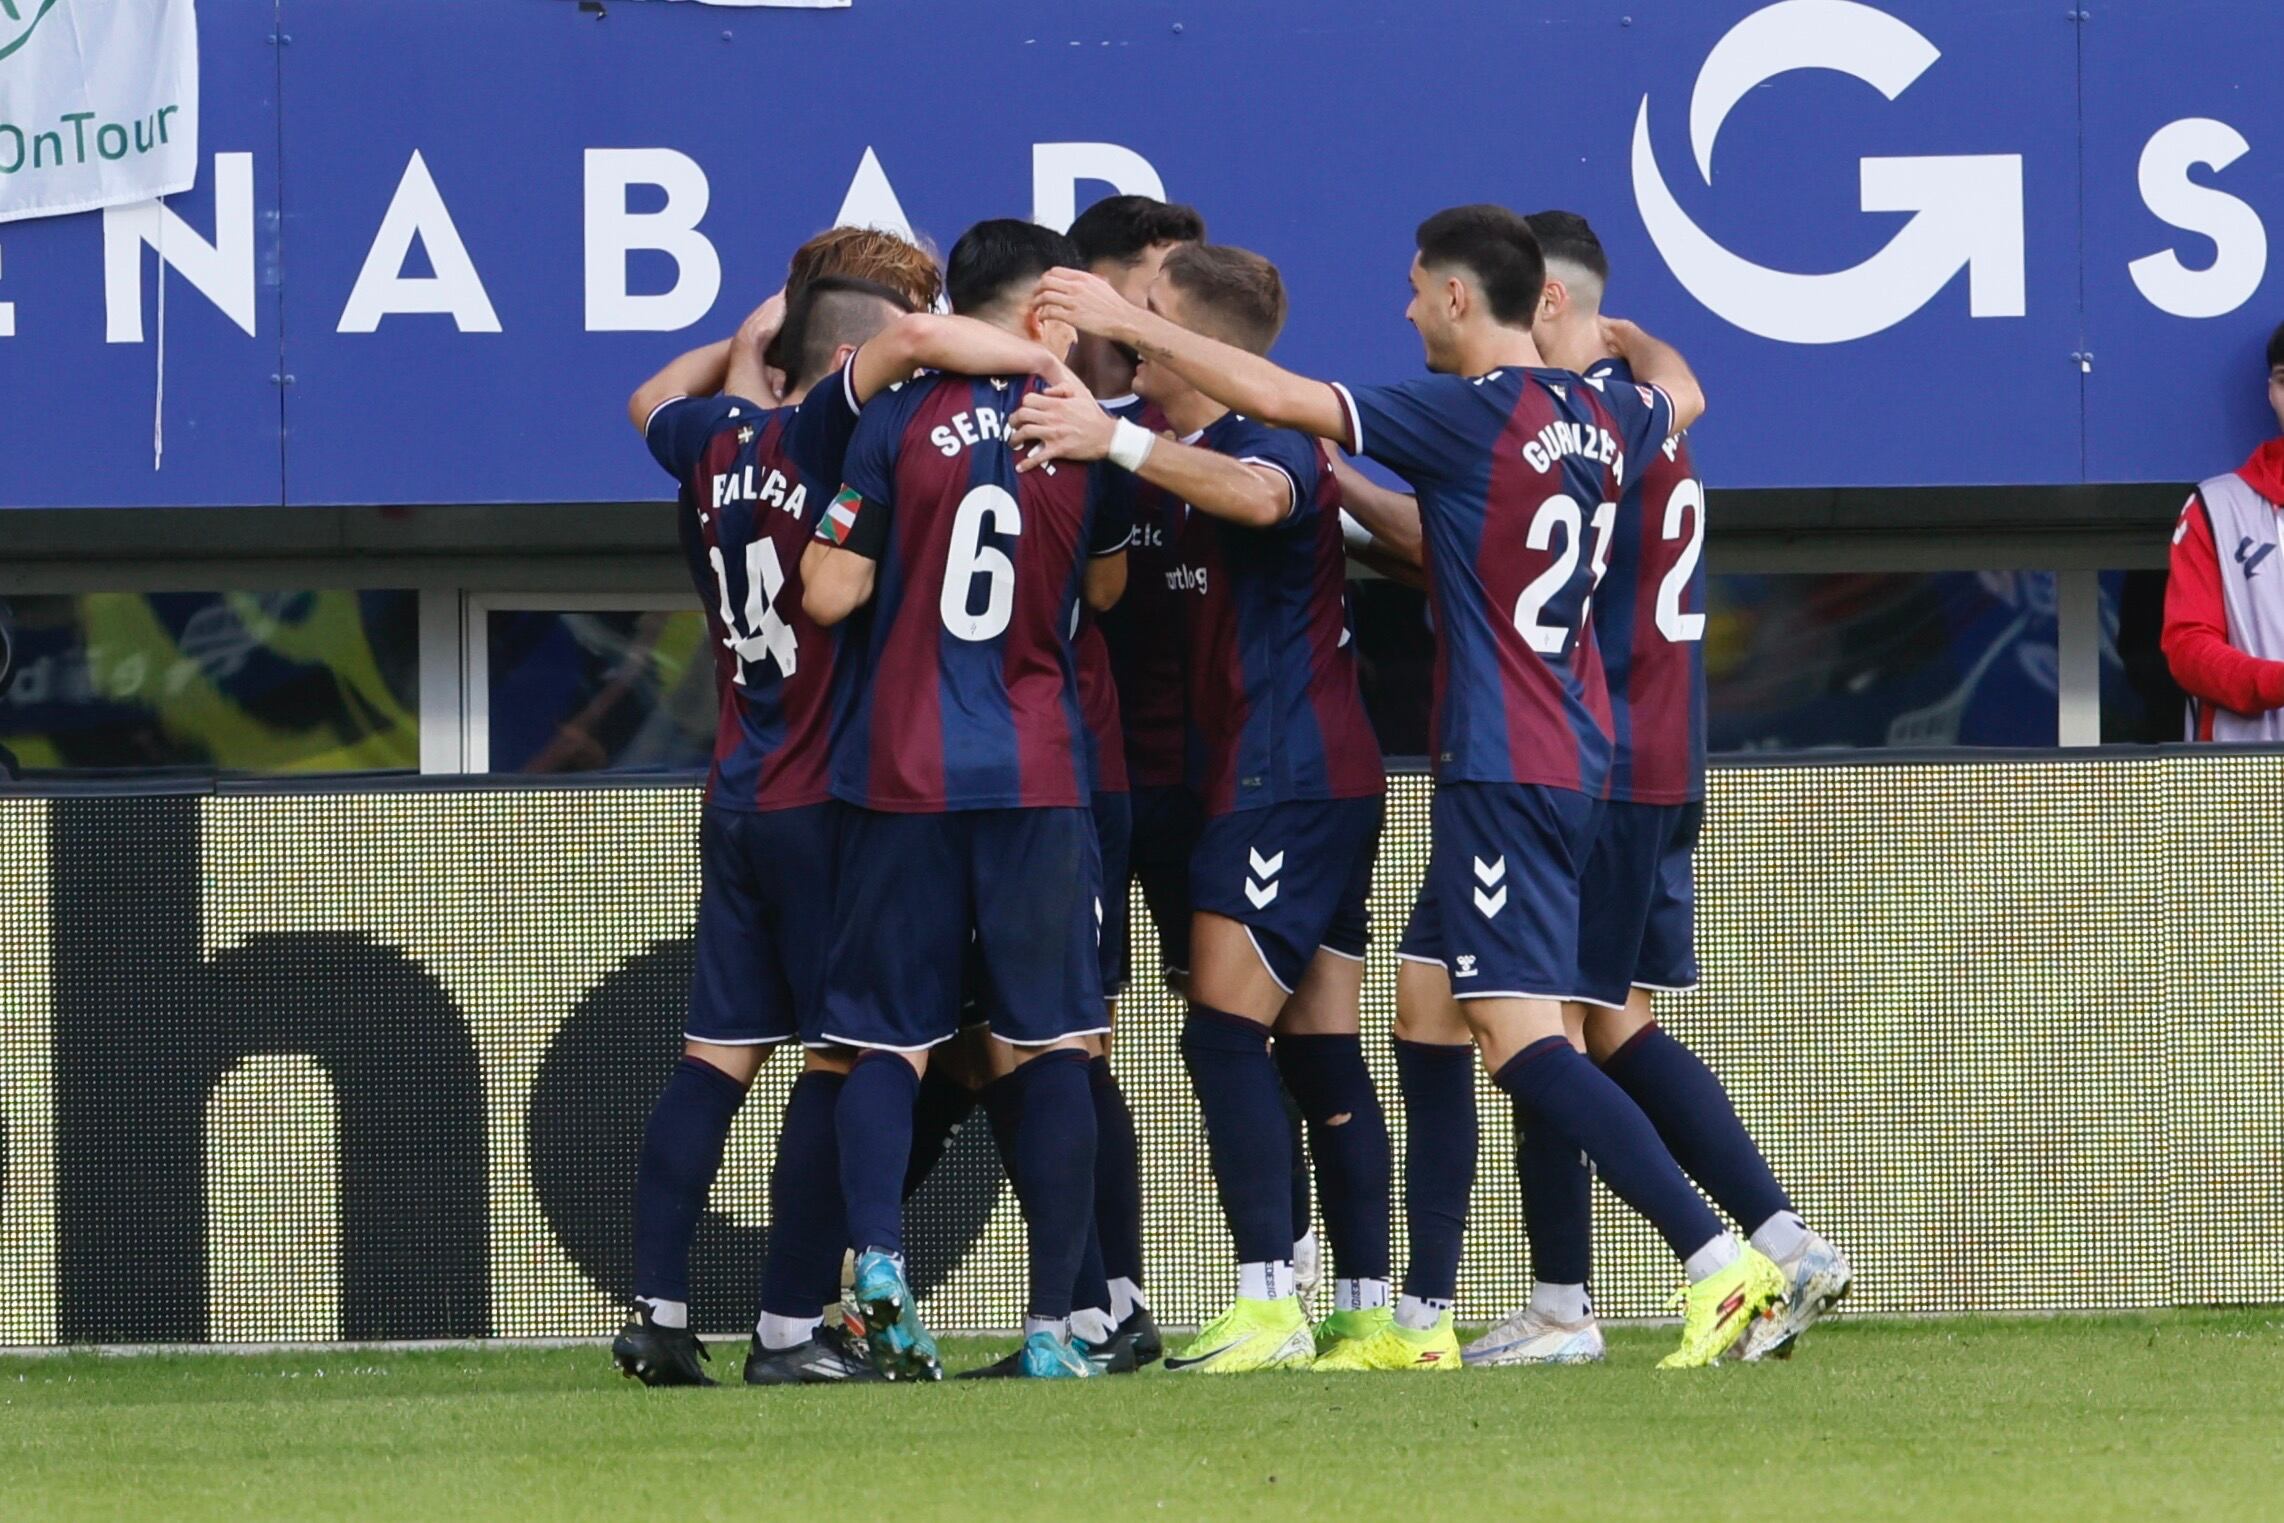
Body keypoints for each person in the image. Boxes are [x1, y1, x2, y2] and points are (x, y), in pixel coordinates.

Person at [1035, 204, 1787, 1369]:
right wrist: (1628, 341)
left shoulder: (1469, 411)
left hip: (1504, 762)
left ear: (1455, 297)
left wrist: (1126, 328)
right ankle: (1421, 1318)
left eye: (1413, 286)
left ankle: (1718, 1260)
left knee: (1521, 1039)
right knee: (1426, 1011)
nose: (1403, 308)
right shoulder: (1610, 413)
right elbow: (1682, 391)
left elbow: (1279, 394)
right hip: (1571, 752)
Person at [612, 270, 1065, 1387]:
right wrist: (1040, 358)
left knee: (715, 1058)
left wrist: (745, 336)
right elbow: (902, 346)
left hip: (737, 788)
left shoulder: (715, 440)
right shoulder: (829, 431)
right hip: (829, 799)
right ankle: (784, 1330)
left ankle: (657, 1309)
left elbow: (645, 399)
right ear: (850, 366)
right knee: (842, 1057)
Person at [1457, 211, 1850, 1367]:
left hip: (1597, 758)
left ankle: (1567, 1305)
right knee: (1612, 1020)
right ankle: (1782, 1240)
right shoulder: (1646, 413)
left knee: (1545, 1026)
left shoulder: (1571, 431)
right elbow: (1687, 387)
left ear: (1546, 303)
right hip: (1664, 754)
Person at [1015, 242, 1392, 1372]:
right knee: (1319, 1046)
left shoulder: (1265, 437)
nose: (1133, 327)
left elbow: (1265, 495)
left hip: (1285, 780)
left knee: (1221, 1034)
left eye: (1152, 313)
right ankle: (1368, 1314)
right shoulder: (1170, 438)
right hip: (1309, 774)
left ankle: (1267, 1302)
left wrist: (1118, 441)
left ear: (1199, 340)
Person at [801, 218, 1131, 1382]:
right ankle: (1052, 1325)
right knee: (1052, 1041)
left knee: (885, 1039)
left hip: (902, 769)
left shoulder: (895, 417)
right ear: (1043, 309)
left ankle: (880, 1266)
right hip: (1038, 770)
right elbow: (1106, 587)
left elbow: (830, 591)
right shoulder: (1082, 426)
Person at [2162, 320, 2284, 740]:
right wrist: (2274, 682)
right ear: (2271, 391)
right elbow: (2188, 646)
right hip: (2247, 769)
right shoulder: (2217, 506)